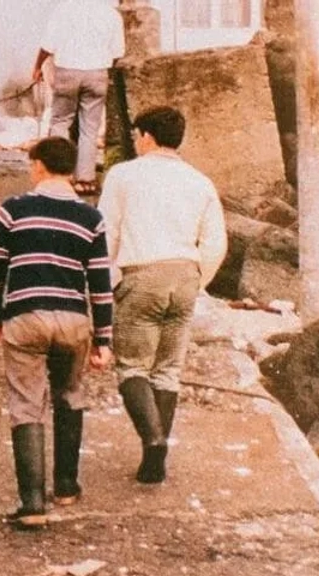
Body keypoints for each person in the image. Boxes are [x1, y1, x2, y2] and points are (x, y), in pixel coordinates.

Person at [0, 136, 115, 529]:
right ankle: (67, 486)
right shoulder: (91, 218)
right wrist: (103, 340)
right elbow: (100, 284)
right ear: (71, 170)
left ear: (39, 166)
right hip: (73, 320)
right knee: (69, 395)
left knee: (26, 403)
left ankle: (33, 504)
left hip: (25, 316)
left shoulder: (13, 209)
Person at [98, 105, 227, 484]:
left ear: (147, 137)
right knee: (168, 370)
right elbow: (216, 242)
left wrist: (110, 280)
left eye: (137, 135)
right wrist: (197, 280)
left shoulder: (122, 175)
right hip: (185, 275)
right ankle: (155, 455)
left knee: (132, 367)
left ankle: (153, 439)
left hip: (141, 273)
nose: (136, 141)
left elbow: (106, 232)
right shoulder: (200, 182)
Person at [32, 0, 126, 196]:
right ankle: (85, 180)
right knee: (89, 129)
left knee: (60, 122)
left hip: (67, 71)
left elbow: (48, 46)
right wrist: (100, 67)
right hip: (97, 73)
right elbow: (117, 53)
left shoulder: (63, 8)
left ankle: (57, 173)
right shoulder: (111, 14)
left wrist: (37, 66)